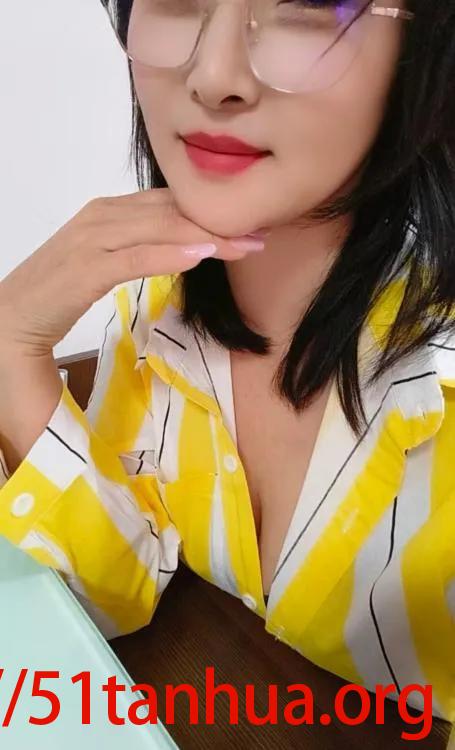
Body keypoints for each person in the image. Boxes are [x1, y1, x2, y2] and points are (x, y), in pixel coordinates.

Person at [0, 0, 454, 727]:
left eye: (306, 4)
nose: (212, 76)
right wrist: (10, 342)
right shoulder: (153, 306)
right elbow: (109, 589)